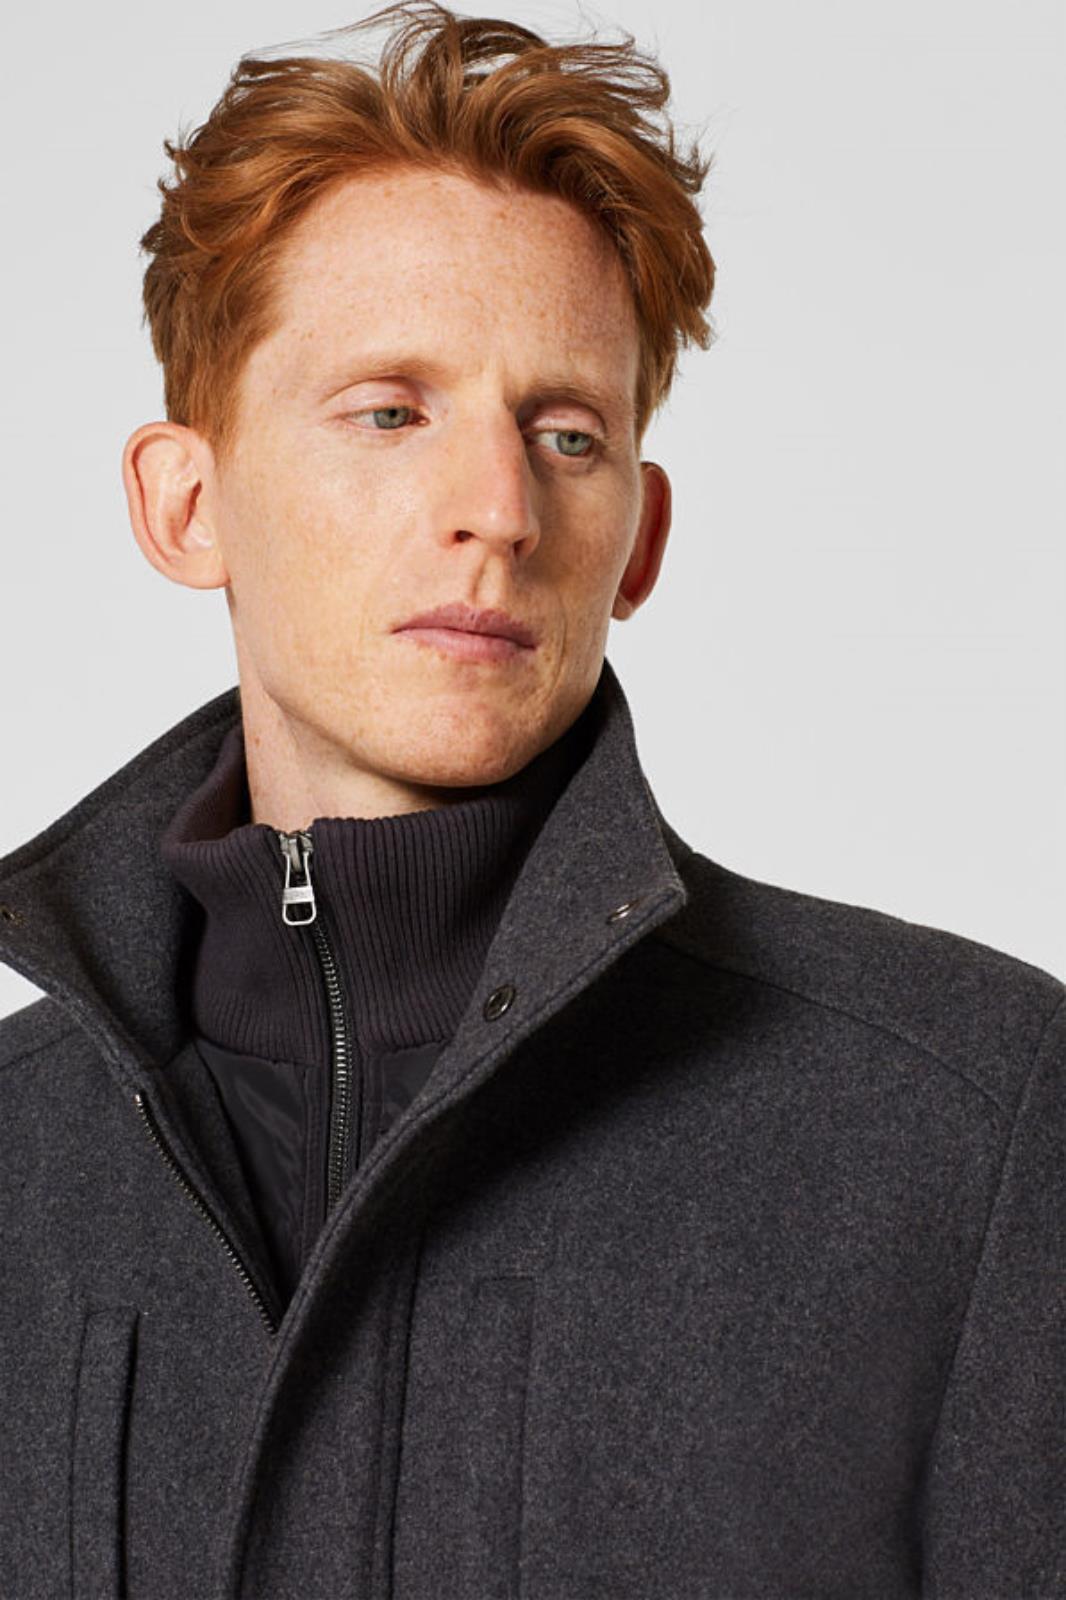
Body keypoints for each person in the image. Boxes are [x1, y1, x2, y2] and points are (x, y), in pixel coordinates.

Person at [0, 3, 1062, 1595]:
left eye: (566, 435)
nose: (497, 509)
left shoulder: (969, 1123)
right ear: (187, 501)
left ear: (638, 537)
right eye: (389, 410)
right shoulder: (16, 1160)